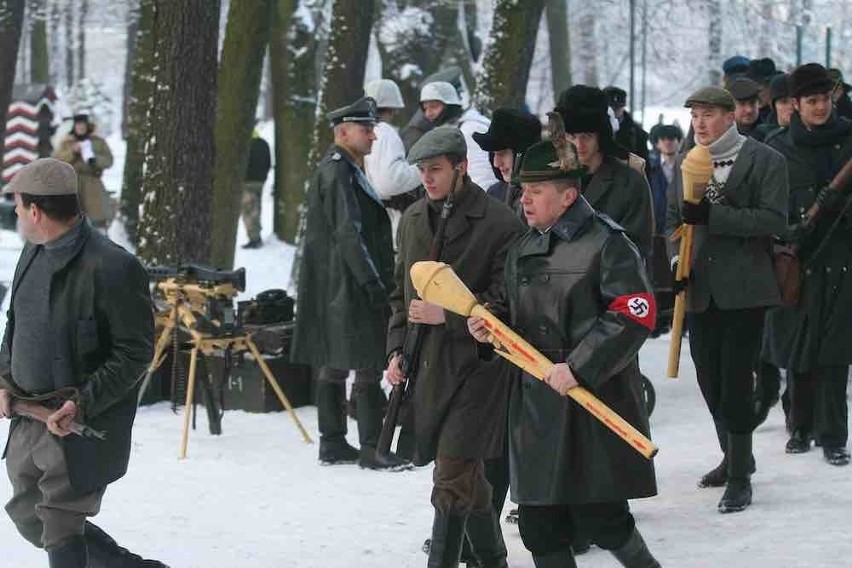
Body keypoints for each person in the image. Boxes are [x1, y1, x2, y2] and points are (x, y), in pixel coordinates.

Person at [468, 139, 660, 568]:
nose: (524, 198)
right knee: (539, 526)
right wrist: (486, 326)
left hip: (592, 401)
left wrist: (580, 366)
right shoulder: (522, 246)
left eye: (536, 190)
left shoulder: (608, 242)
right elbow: (505, 308)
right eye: (523, 190)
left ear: (568, 195)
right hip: (536, 406)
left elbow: (635, 312)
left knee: (604, 517)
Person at [0, 158, 162, 567]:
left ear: (36, 212)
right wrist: (4, 379)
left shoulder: (114, 266)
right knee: (29, 516)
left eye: (18, 207)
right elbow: (15, 323)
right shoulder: (32, 251)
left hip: (74, 423)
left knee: (60, 522)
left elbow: (135, 351)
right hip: (26, 414)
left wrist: (83, 403)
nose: (16, 214)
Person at [385, 126, 525, 567]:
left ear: (462, 168)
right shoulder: (410, 221)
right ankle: (494, 561)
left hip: (479, 369)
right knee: (467, 478)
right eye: (422, 171)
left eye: (436, 170)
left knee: (449, 477)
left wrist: (450, 316)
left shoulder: (500, 222)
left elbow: (507, 302)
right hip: (427, 368)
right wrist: (394, 351)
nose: (427, 179)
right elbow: (399, 296)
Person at [666, 86, 788, 512]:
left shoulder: (765, 159)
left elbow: (774, 219)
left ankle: (739, 477)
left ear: (730, 115)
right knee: (709, 380)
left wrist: (714, 216)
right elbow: (670, 222)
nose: (699, 123)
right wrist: (675, 264)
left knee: (736, 383)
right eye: (695, 115)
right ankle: (736, 453)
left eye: (708, 114)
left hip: (745, 289)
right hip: (699, 289)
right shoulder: (684, 162)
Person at [290, 96, 408, 471]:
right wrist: (374, 284)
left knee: (336, 361)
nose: (374, 136)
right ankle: (371, 447)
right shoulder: (339, 170)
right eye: (366, 129)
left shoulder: (340, 167)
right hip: (350, 283)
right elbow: (349, 233)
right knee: (368, 363)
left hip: (336, 284)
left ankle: (333, 441)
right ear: (344, 132)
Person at [764, 63, 852, 466]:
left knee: (835, 351)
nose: (820, 107)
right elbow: (769, 205)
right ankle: (799, 427)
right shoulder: (778, 148)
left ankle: (834, 436)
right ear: (794, 104)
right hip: (797, 260)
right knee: (798, 346)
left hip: (843, 258)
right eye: (811, 101)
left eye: (824, 99)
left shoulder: (848, 140)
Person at [555, 85, 654, 260]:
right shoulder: (551, 180)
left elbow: (637, 248)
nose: (579, 145)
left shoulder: (629, 183)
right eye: (571, 136)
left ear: (601, 135)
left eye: (586, 136)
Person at [363, 79, 423, 238]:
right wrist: (423, 169)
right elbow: (392, 181)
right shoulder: (385, 132)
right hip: (391, 219)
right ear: (391, 108)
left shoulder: (362, 132)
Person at [417, 81, 499, 190]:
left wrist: (479, 205)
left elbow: (482, 176)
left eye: (433, 106)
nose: (428, 113)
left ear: (449, 104)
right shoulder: (452, 130)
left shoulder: (469, 129)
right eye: (425, 108)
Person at [472, 107, 541, 214]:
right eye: (493, 154)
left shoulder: (547, 196)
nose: (496, 163)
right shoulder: (494, 195)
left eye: (502, 154)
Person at [51, 114, 114, 230]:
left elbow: (109, 160)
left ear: (87, 126)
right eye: (78, 125)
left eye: (83, 125)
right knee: (70, 220)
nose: (80, 127)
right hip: (70, 185)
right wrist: (72, 153)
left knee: (97, 220)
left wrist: (94, 159)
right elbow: (56, 160)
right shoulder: (66, 142)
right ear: (74, 126)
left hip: (92, 184)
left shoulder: (98, 142)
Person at [240, 126, 272, 249]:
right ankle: (256, 235)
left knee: (248, 210)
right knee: (256, 208)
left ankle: (254, 238)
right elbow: (269, 162)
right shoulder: (264, 143)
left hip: (248, 181)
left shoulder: (245, 144)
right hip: (260, 181)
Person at [603, 86, 650, 165]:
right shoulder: (594, 129)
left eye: (617, 108)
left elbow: (644, 164)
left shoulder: (636, 132)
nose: (613, 112)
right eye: (610, 107)